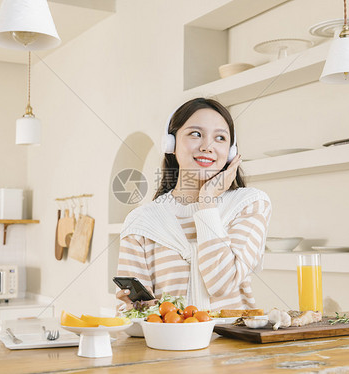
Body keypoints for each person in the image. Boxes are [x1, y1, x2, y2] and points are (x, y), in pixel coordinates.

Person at [116, 98, 272, 312]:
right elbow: (134, 319)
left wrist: (206, 200)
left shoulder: (250, 204)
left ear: (231, 152)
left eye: (220, 138)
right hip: (168, 344)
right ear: (170, 144)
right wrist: (137, 310)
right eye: (195, 134)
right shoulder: (141, 222)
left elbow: (221, 284)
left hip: (235, 345)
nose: (207, 147)